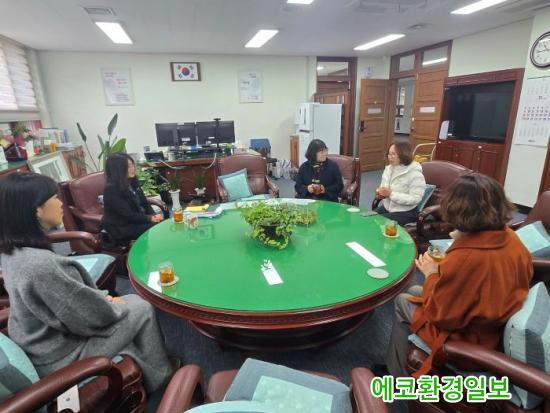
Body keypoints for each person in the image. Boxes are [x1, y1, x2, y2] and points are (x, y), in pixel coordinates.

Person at [0, 172, 174, 392]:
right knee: (141, 307)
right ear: (36, 210)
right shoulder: (41, 266)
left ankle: (145, 365)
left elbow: (70, 304)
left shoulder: (12, 252)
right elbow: (93, 318)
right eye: (54, 198)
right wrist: (110, 304)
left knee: (125, 303)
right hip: (62, 357)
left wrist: (105, 299)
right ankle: (161, 377)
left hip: (41, 345)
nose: (61, 203)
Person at [385, 173, 533, 377]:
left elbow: (441, 317)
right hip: (493, 325)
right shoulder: (511, 238)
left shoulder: (465, 257)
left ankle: (396, 376)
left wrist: (431, 274)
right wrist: (442, 274)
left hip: (469, 341)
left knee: (402, 301)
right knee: (414, 290)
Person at [102, 153, 163, 244]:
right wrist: (149, 218)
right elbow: (128, 215)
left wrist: (153, 216)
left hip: (138, 220)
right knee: (158, 229)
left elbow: (145, 204)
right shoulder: (111, 189)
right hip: (123, 227)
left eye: (132, 165)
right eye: (129, 166)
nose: (133, 168)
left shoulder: (132, 182)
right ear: (118, 170)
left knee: (161, 224)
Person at [374, 142, 426, 226]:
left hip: (406, 212)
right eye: (389, 154)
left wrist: (391, 194)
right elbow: (383, 188)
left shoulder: (415, 174)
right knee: (368, 218)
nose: (390, 157)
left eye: (393, 154)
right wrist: (380, 193)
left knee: (378, 223)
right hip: (388, 208)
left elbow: (416, 198)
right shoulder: (388, 169)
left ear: (403, 154)